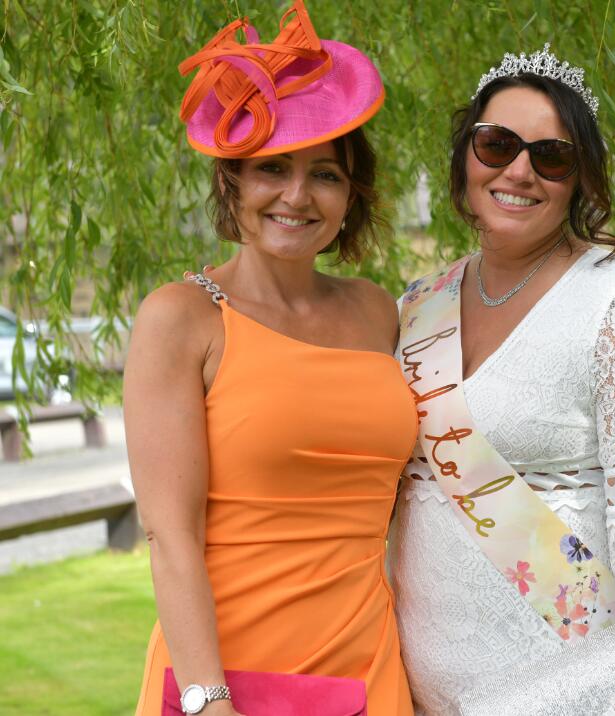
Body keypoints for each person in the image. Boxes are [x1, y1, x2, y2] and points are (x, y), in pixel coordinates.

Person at [387, 45, 615, 715]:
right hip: (416, 689)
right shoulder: (416, 306)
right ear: (465, 158)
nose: (519, 170)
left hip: (575, 689)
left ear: (580, 177)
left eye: (551, 156)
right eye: (497, 145)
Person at [125, 3, 415, 714]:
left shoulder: (378, 312)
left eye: (325, 174)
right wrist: (206, 697)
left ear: (351, 195)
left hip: (368, 668)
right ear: (232, 183)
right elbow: (169, 536)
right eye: (271, 169)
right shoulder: (181, 318)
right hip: (228, 676)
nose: (296, 195)